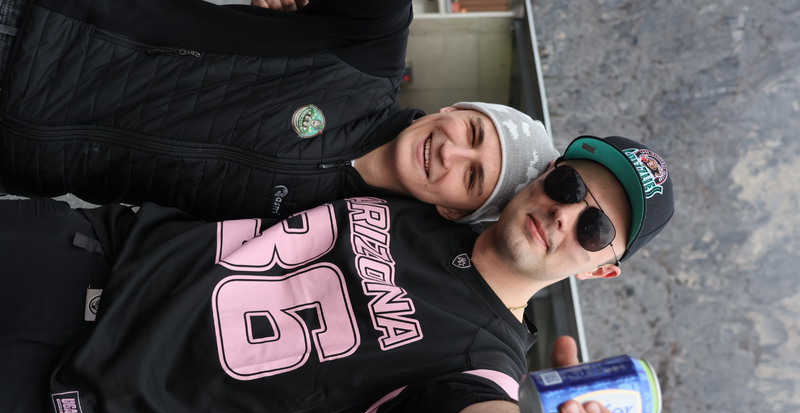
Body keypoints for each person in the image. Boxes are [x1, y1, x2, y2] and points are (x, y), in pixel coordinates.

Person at [0, 134, 674, 413]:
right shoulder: (426, 192)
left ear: (601, 270)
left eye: (594, 227)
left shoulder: (488, 366)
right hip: (77, 259)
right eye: (568, 185)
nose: (563, 213)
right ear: (544, 173)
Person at [0, 0, 558, 223]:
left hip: (23, 162)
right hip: (33, 36)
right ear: (458, 107)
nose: (452, 151)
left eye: (472, 176)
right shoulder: (368, 54)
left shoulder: (327, 236)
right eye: (473, 130)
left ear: (457, 211)